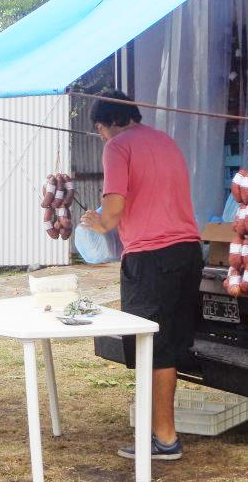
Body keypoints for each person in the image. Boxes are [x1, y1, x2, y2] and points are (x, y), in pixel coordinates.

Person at [80, 89, 202, 463]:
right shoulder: (166, 142)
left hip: (151, 259)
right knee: (170, 346)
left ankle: (164, 438)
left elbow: (113, 209)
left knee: (152, 347)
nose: (102, 137)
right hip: (187, 252)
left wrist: (97, 223)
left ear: (105, 124)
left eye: (99, 130)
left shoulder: (117, 147)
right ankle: (159, 432)